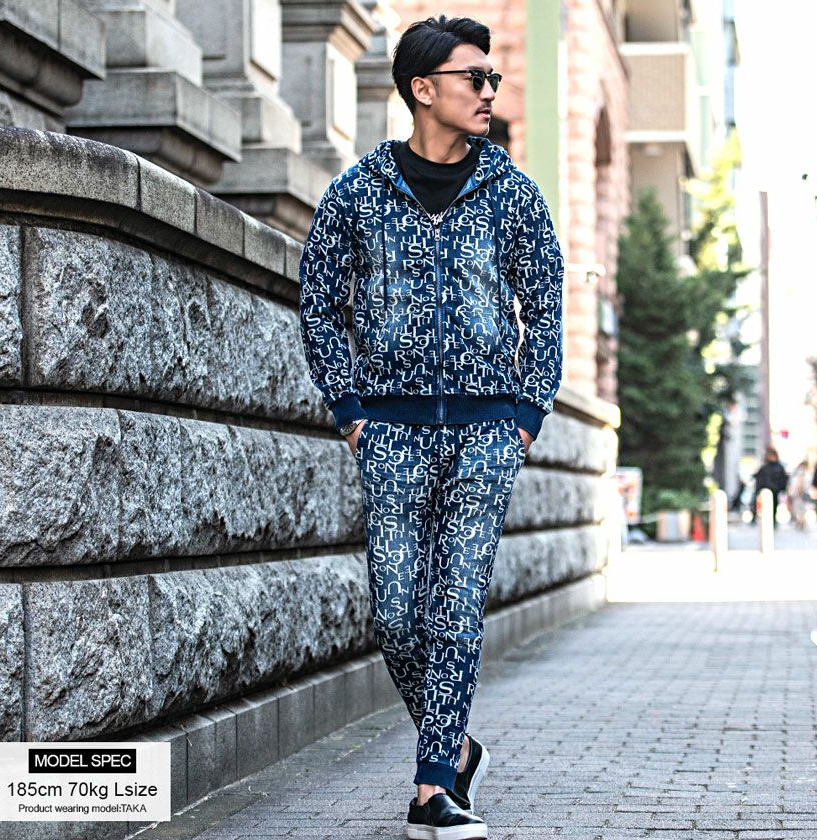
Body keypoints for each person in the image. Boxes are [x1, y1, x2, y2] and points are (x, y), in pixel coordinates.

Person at [298, 14, 564, 839]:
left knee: (455, 609)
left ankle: (431, 790)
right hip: (391, 432)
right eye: (473, 78)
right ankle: (456, 748)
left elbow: (545, 307)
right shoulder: (356, 192)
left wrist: (525, 415)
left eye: (492, 79)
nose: (489, 92)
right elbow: (318, 305)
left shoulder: (513, 193)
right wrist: (351, 414)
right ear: (423, 89)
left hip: (486, 432)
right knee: (395, 614)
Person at [751, 448, 789, 529]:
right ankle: (766, 522)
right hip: (766, 491)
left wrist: (781, 488)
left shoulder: (778, 467)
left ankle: (773, 522)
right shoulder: (765, 467)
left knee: (773, 507)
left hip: (774, 491)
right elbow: (759, 477)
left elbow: (783, 479)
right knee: (764, 507)